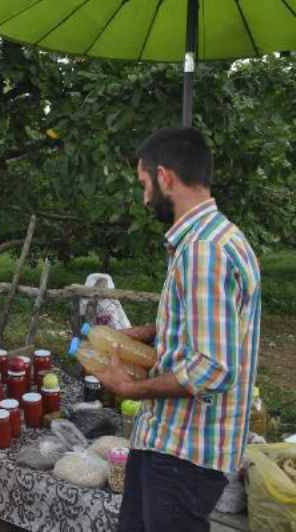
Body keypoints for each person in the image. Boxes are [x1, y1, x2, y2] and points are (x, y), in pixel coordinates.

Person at [94, 127, 261, 532]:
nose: (144, 195)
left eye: (144, 182)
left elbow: (213, 368)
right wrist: (151, 333)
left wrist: (132, 389)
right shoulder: (218, 238)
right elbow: (211, 328)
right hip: (167, 443)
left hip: (184, 452)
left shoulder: (204, 251)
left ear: (165, 177)